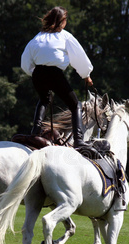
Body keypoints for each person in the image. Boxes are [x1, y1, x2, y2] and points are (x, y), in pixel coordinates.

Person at [21, 6, 94, 149]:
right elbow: (78, 56)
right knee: (75, 105)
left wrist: (33, 73)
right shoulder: (65, 36)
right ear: (63, 21)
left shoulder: (37, 37)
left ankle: (34, 132)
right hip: (54, 73)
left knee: (44, 100)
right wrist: (86, 75)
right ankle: (79, 140)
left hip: (38, 74)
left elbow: (25, 61)